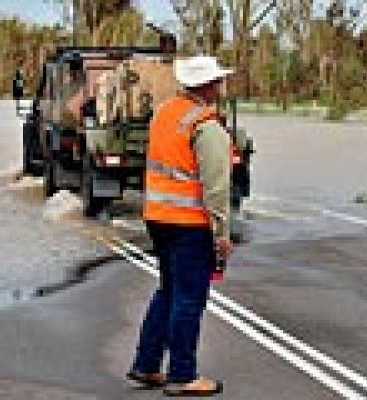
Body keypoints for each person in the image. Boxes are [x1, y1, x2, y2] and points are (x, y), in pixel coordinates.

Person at [126, 55, 234, 397]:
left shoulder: (165, 112)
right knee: (189, 299)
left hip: (157, 218)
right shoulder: (207, 126)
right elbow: (216, 188)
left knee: (168, 292)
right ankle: (182, 375)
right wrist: (222, 235)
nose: (220, 86)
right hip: (189, 224)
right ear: (207, 85)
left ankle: (146, 365)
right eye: (217, 81)